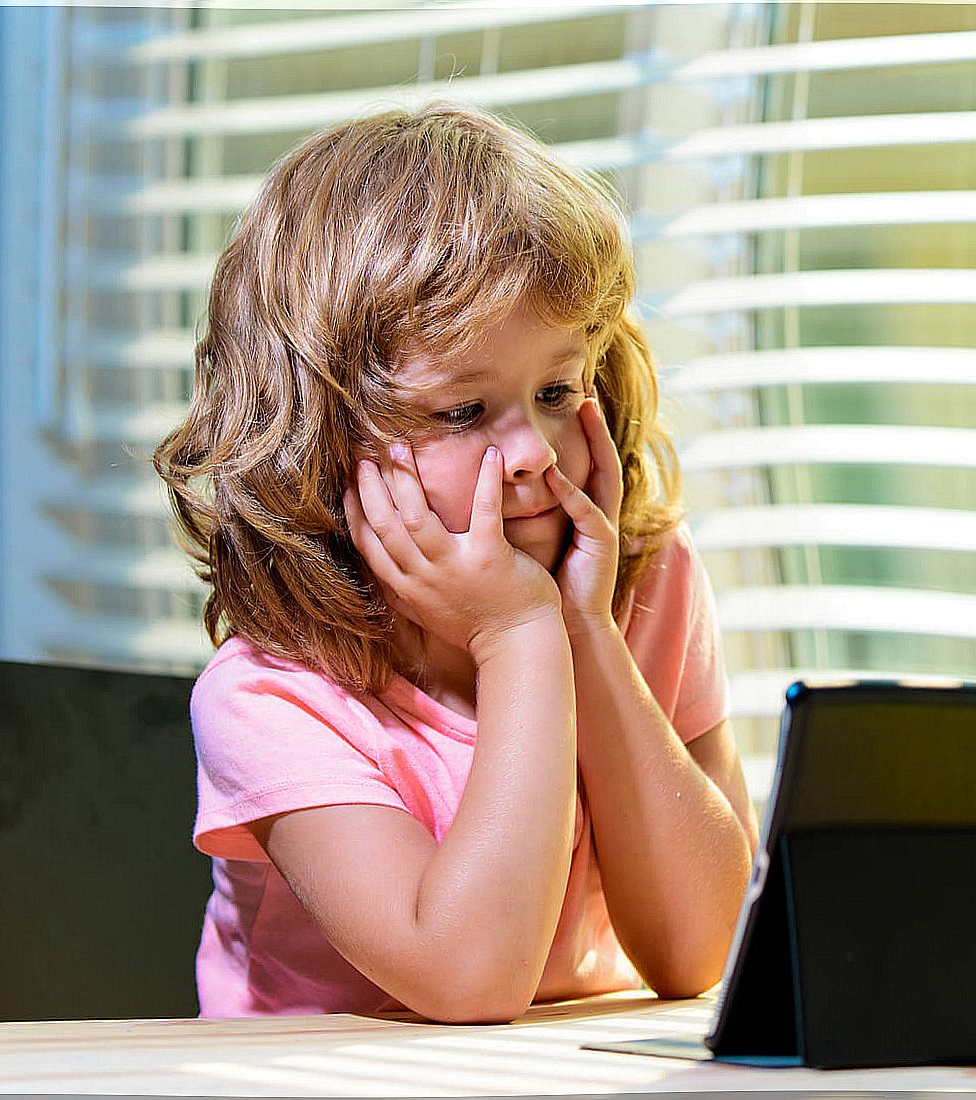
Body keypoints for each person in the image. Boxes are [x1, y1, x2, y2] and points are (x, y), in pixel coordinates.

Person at [153, 102, 759, 1023]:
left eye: (557, 389)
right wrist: (519, 634)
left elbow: (695, 950)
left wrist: (584, 630)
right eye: (463, 413)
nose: (534, 454)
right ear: (315, 439)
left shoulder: (646, 586)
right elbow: (470, 977)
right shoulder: (270, 698)